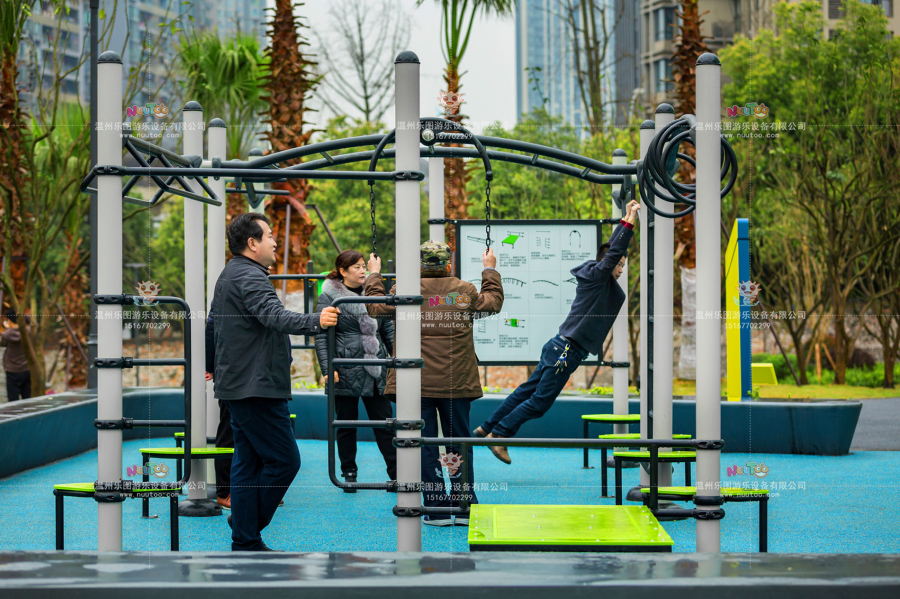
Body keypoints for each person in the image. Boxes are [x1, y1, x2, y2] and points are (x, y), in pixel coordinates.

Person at [476, 200, 640, 464]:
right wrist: (629, 220)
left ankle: (487, 427)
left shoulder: (595, 278)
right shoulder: (598, 276)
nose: (621, 270)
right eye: (619, 265)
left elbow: (610, 251)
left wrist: (624, 224)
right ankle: (499, 435)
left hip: (558, 344)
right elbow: (613, 251)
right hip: (567, 349)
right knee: (539, 402)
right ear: (608, 263)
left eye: (622, 265)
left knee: (526, 392)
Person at [212, 212, 339, 551]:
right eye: (269, 236)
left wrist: (215, 365)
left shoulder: (231, 273)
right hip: (256, 386)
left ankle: (245, 537)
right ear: (252, 243)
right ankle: (246, 526)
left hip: (240, 383)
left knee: (247, 462)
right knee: (285, 461)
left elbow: (213, 324)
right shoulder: (250, 277)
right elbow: (274, 316)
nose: (273, 241)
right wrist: (317, 319)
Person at [366, 241, 503, 527]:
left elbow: (375, 308)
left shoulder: (405, 290)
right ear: (448, 263)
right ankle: (464, 506)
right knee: (458, 442)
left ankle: (435, 506)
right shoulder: (464, 291)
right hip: (456, 381)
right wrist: (489, 270)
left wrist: (374, 275)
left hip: (414, 382)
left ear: (421, 264)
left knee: (424, 444)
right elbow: (493, 303)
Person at [315, 250, 397, 491]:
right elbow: (322, 336)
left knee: (385, 422)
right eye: (357, 267)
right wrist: (328, 367)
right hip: (345, 364)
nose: (363, 271)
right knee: (346, 424)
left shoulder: (374, 292)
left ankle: (395, 472)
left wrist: (395, 357)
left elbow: (387, 328)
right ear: (343, 271)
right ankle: (348, 472)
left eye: (364, 267)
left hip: (376, 365)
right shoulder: (329, 296)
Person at [1, 310, 31, 402]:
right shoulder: (28, 331)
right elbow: (34, 323)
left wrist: (7, 328)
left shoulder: (7, 334)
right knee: (27, 398)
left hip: (12, 370)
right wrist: (24, 316)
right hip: (27, 368)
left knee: (13, 399)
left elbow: (2, 343)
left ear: (9, 320)